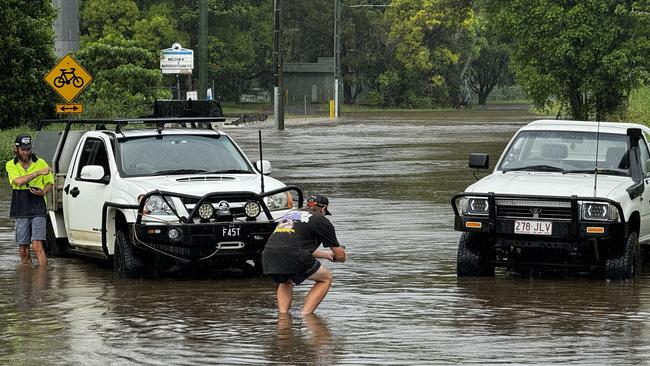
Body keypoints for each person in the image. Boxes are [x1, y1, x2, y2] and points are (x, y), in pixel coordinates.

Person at [262, 194, 347, 315]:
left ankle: (283, 317)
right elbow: (340, 256)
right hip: (294, 254)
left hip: (269, 254)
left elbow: (294, 245)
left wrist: (326, 255)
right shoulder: (320, 219)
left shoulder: (291, 215)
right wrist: (342, 256)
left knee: (285, 281)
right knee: (325, 278)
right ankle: (306, 315)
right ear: (323, 209)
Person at [5, 134, 54, 266]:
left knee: (37, 246)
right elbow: (18, 181)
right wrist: (37, 173)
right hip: (21, 206)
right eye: (23, 149)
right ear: (16, 149)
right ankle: (27, 278)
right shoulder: (11, 165)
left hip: (38, 206)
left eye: (28, 149)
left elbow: (50, 182)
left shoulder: (41, 162)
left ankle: (42, 278)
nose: (26, 152)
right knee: (23, 250)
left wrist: (44, 191)